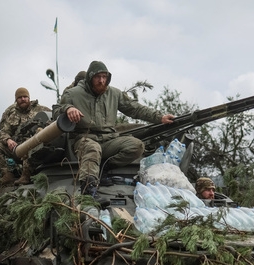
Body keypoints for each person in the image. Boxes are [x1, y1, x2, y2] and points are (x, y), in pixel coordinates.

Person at [52, 60, 174, 200]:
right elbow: (56, 111)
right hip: (84, 138)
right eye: (98, 77)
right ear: (90, 78)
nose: (102, 81)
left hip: (109, 139)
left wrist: (160, 117)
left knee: (136, 146)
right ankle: (89, 190)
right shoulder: (73, 94)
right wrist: (68, 109)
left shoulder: (114, 94)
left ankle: (104, 167)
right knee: (92, 149)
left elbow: (135, 109)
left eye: (105, 77)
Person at [0, 87, 51, 186]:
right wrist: (8, 140)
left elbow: (53, 119)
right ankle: (7, 174)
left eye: (25, 97)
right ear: (16, 100)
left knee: (31, 140)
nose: (23, 99)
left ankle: (26, 175)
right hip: (16, 148)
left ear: (29, 98)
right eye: (20, 97)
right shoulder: (13, 115)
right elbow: (4, 131)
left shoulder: (40, 109)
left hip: (34, 147)